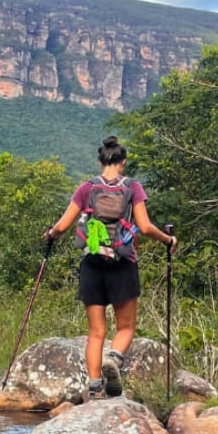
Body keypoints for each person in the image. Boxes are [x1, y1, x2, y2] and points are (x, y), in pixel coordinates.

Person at [44, 135, 176, 400]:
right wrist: (168, 239)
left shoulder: (86, 188)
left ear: (100, 160)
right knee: (125, 327)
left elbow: (61, 226)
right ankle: (114, 358)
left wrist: (49, 236)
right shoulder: (133, 187)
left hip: (92, 265)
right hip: (122, 264)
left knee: (96, 332)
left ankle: (93, 387)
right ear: (123, 162)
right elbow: (146, 226)